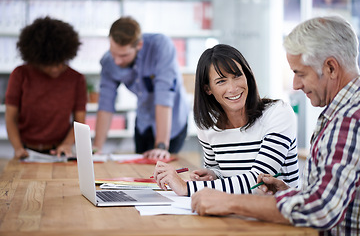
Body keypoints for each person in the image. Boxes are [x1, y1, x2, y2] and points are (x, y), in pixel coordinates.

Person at [190, 16, 360, 236]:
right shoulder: (340, 113)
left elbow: (320, 209)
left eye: (300, 73)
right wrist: (287, 193)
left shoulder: (348, 119)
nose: (296, 85)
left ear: (330, 68)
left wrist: (230, 202)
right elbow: (331, 197)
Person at [153, 44, 299, 196]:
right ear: (208, 89)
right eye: (221, 81)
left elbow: (259, 181)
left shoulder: (278, 113)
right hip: (231, 212)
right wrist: (214, 175)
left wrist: (186, 187)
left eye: (237, 76)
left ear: (247, 76)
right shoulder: (207, 127)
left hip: (278, 214)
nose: (233, 88)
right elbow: (220, 170)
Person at [93, 16, 189, 159]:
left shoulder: (161, 46)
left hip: (171, 123)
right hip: (143, 123)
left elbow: (164, 96)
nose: (117, 61)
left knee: (162, 168)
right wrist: (96, 149)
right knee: (141, 171)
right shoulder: (108, 62)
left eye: (124, 55)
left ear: (139, 45)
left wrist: (161, 146)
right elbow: (105, 105)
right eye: (113, 53)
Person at [5, 17, 87, 159]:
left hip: (59, 152)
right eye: (49, 64)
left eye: (60, 62)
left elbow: (79, 120)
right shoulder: (20, 74)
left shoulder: (76, 79)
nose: (56, 69)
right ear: (36, 59)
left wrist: (67, 144)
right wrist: (18, 148)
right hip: (26, 151)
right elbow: (10, 117)